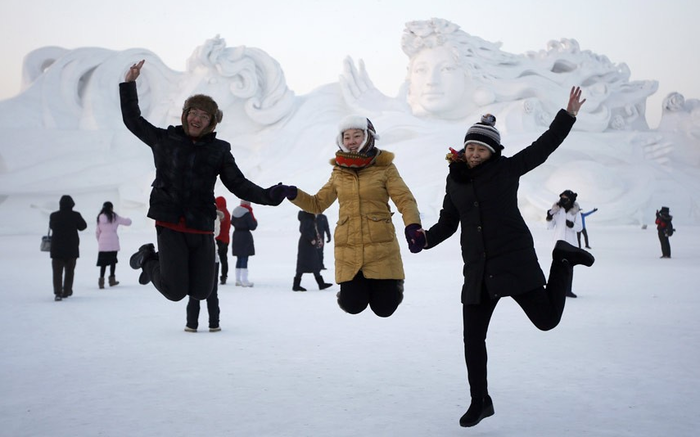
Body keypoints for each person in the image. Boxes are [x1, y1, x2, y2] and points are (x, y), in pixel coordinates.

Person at [416, 87, 594, 427]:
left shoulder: (506, 169)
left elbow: (543, 148)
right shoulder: (454, 182)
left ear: (493, 151)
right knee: (472, 338)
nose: (473, 153)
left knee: (546, 320)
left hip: (513, 261)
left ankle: (563, 259)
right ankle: (480, 401)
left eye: (481, 148)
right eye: (470, 147)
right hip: (479, 271)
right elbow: (448, 223)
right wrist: (425, 239)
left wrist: (567, 115)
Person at [121, 60, 292, 302]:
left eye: (204, 116)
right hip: (170, 222)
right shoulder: (165, 140)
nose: (197, 119)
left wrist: (268, 196)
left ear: (211, 123)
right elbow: (133, 121)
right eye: (194, 113)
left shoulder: (219, 150)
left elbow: (238, 183)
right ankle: (148, 258)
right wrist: (129, 84)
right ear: (185, 114)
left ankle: (163, 265)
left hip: (201, 223)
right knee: (175, 291)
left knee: (202, 291)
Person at [279, 115, 423, 316]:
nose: (352, 141)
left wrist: (413, 225)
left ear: (368, 137)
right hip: (349, 247)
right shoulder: (339, 171)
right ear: (341, 141)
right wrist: (294, 194)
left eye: (357, 135)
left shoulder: (385, 167)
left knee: (385, 308)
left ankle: (393, 284)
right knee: (352, 305)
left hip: (380, 246)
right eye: (347, 137)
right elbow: (318, 203)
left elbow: (405, 199)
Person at [185, 210, 224, 332]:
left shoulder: (190, 213)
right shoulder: (214, 215)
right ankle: (214, 323)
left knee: (194, 291)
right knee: (211, 292)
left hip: (197, 255)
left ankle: (192, 323)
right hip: (211, 256)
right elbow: (216, 233)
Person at [546, 190, 584, 298]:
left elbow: (580, 227)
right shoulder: (557, 210)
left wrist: (572, 225)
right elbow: (550, 226)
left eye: (566, 198)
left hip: (570, 243)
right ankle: (553, 290)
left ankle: (568, 290)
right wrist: (549, 217)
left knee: (568, 268)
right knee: (556, 267)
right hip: (558, 242)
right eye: (562, 198)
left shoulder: (575, 212)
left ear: (571, 199)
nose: (563, 200)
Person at [49, 195, 88, 301]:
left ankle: (58, 292)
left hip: (56, 248)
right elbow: (83, 226)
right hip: (71, 247)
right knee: (69, 271)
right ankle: (66, 291)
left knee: (57, 272)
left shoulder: (54, 216)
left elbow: (52, 227)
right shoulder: (75, 215)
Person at [292, 211, 333, 292]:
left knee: (313, 263)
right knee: (305, 264)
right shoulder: (307, 219)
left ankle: (321, 284)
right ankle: (296, 285)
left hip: (307, 244)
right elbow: (304, 230)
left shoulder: (310, 218)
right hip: (306, 244)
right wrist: (311, 239)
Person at [95, 201, 132, 289]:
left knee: (103, 263)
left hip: (102, 243)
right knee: (112, 262)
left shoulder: (99, 218)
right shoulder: (114, 217)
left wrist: (100, 241)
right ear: (111, 208)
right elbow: (128, 222)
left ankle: (101, 282)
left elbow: (97, 232)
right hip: (113, 242)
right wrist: (130, 218)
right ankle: (112, 280)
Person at [231, 200, 257, 287]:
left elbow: (233, 222)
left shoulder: (235, 211)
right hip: (245, 236)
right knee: (244, 257)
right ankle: (244, 280)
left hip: (236, 235)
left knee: (239, 258)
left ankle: (238, 279)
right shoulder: (248, 213)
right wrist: (255, 221)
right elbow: (252, 226)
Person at [215, 196, 231, 284]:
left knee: (215, 259)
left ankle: (214, 276)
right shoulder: (227, 213)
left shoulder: (218, 213)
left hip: (218, 239)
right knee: (224, 259)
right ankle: (224, 276)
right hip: (226, 239)